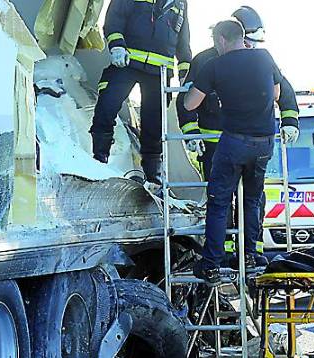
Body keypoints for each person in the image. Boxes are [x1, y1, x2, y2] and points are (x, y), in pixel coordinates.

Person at [184, 20, 280, 284]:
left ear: (222, 40)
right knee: (251, 200)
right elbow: (276, 92)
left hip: (234, 142)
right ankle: (249, 256)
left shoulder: (215, 64)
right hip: (264, 142)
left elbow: (190, 104)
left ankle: (212, 264)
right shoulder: (263, 57)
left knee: (219, 201)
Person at [177, 6, 300, 179]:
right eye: (247, 41)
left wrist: (289, 121)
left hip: (249, 144)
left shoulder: (260, 60)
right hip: (214, 144)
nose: (250, 47)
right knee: (219, 196)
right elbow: (185, 100)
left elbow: (283, 91)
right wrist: (191, 133)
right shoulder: (204, 61)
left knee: (252, 197)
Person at [90, 0, 192, 183]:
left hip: (159, 72)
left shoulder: (181, 3)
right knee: (107, 105)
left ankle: (154, 178)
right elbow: (114, 18)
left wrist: (186, 72)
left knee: (154, 126)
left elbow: (183, 41)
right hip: (127, 61)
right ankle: (99, 159)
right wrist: (117, 45)